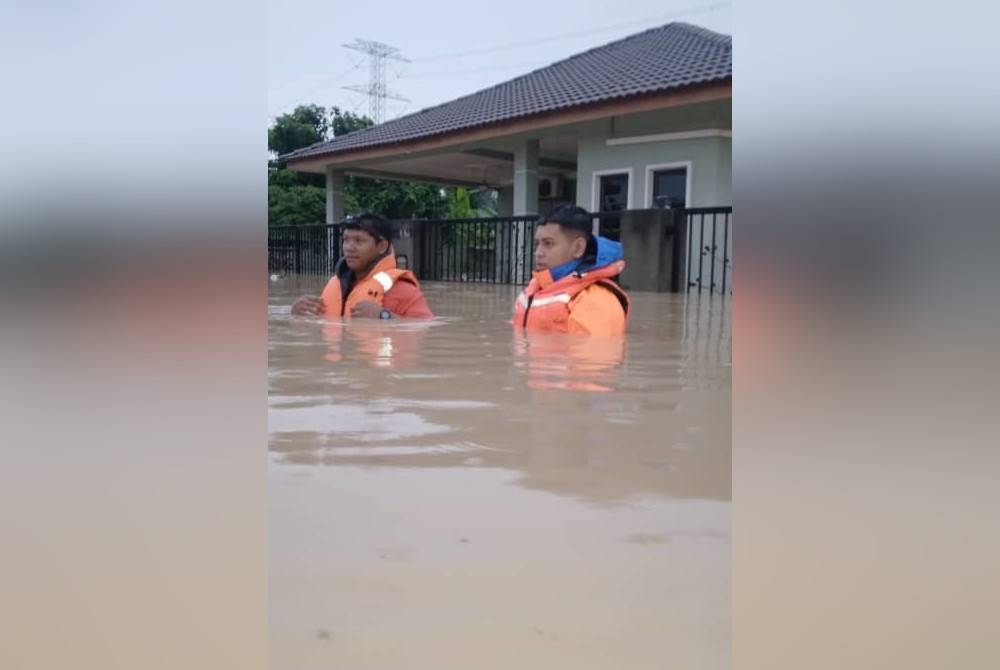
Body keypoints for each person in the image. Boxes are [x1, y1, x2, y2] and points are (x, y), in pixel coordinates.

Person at [291, 212, 433, 320]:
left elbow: (426, 330)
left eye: (359, 241)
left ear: (382, 246)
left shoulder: (402, 289)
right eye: (346, 240)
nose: (349, 248)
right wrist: (297, 313)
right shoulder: (339, 283)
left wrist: (383, 315)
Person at [513, 205, 630, 335]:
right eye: (537, 244)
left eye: (548, 243)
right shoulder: (536, 287)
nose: (538, 253)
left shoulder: (596, 301)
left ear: (578, 248)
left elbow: (596, 347)